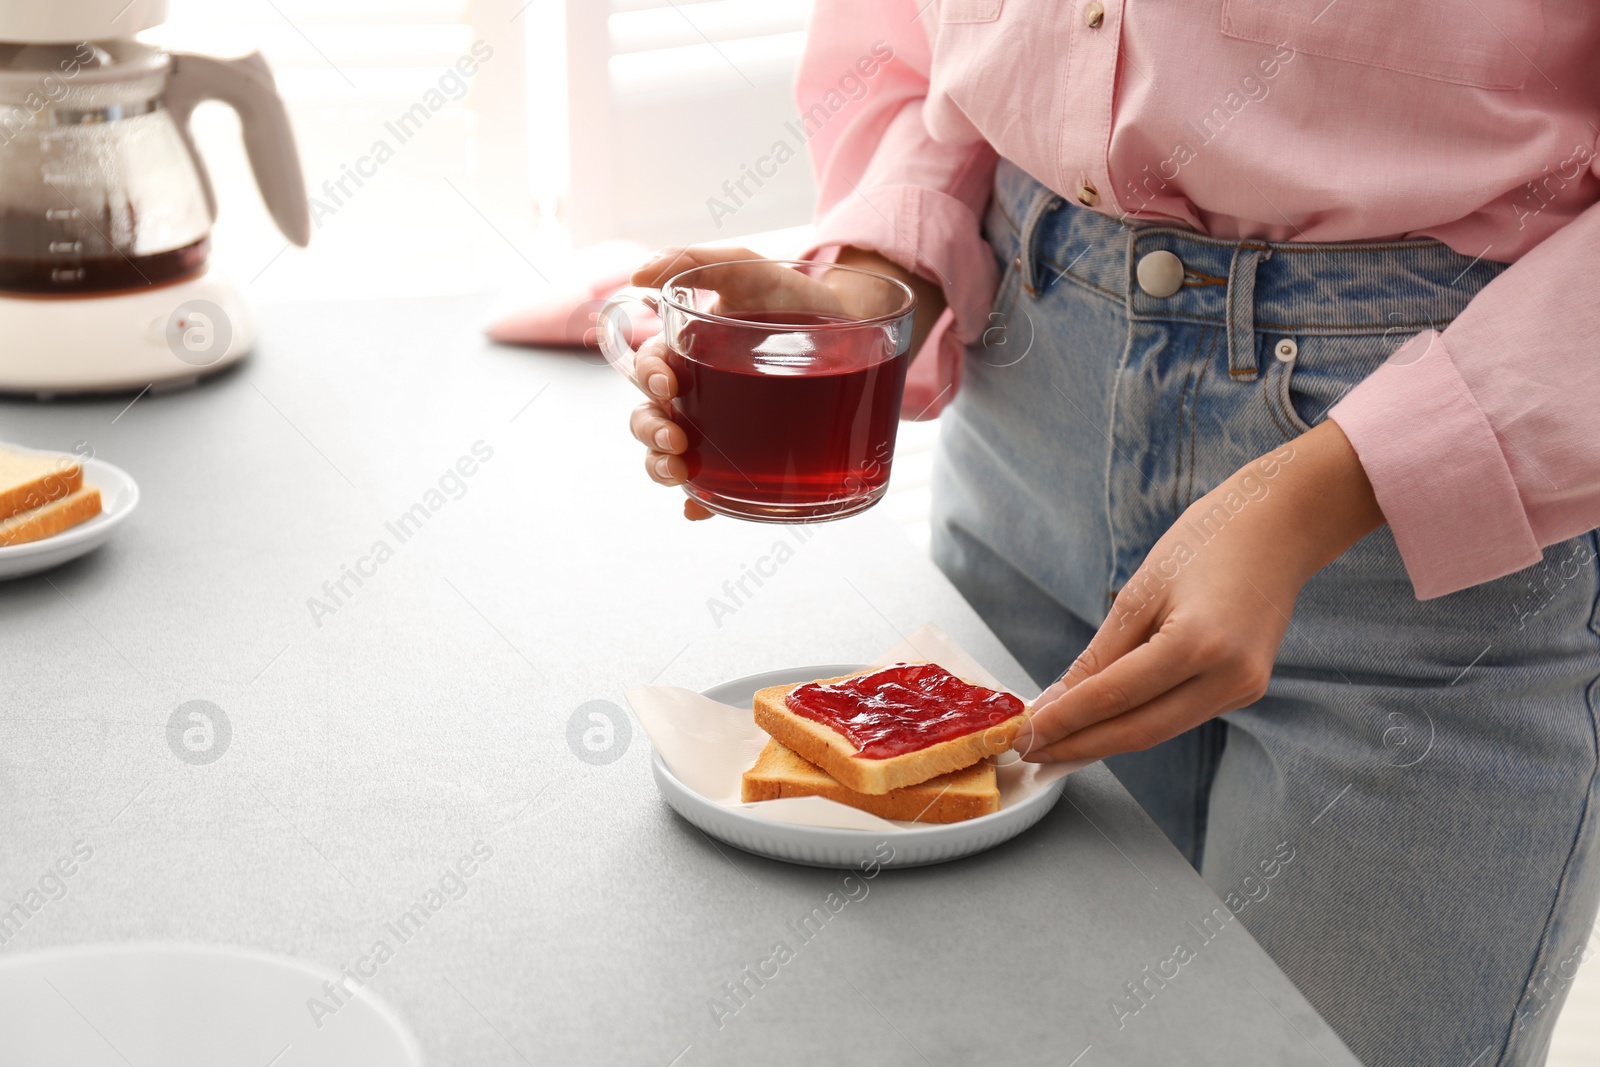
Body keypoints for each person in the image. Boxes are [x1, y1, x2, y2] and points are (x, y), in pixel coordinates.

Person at [622, 3, 1600, 1064]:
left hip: (1423, 537)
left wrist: (1323, 491)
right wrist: (874, 276)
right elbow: (916, 41)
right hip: (1025, 439)